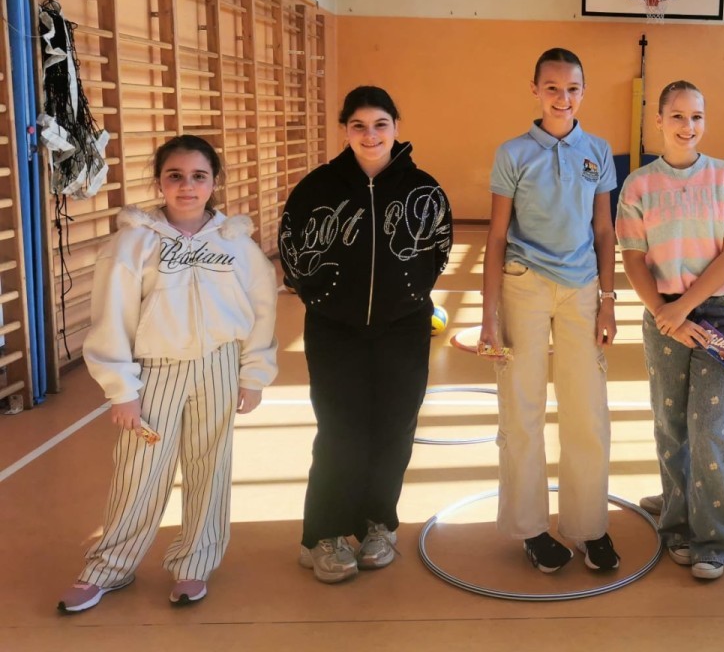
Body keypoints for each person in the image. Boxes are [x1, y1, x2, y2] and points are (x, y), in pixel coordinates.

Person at [58, 135, 278, 613]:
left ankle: (195, 562)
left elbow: (262, 309)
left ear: (214, 182)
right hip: (154, 370)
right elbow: (111, 316)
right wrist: (122, 389)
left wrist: (253, 374)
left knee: (209, 465)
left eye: (199, 176)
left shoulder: (235, 244)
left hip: (218, 365)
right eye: (174, 176)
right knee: (139, 470)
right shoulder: (133, 243)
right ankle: (109, 567)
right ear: (159, 182)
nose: (186, 186)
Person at [279, 86, 452, 584]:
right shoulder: (318, 188)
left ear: (396, 127)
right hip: (335, 330)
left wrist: (408, 296)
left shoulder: (423, 188)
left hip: (404, 327)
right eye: (359, 125)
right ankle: (323, 534)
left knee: (395, 427)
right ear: (345, 130)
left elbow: (440, 248)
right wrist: (326, 300)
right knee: (340, 430)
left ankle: (380, 522)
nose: (370, 135)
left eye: (380, 124)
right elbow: (292, 249)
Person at [479, 47, 620, 574]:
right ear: (535, 90)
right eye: (553, 88)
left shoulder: (598, 151)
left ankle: (588, 526)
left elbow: (604, 231)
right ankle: (531, 528)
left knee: (588, 411)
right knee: (523, 409)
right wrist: (490, 315)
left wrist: (608, 301)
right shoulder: (513, 153)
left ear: (584, 91)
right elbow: (497, 237)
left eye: (573, 88)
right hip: (525, 287)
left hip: (582, 289)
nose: (563, 98)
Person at [617, 80, 724, 581]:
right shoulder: (638, 186)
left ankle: (714, 539)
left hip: (720, 313)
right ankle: (676, 525)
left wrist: (684, 311)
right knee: (670, 423)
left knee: (708, 426)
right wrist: (663, 312)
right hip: (664, 316)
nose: (687, 126)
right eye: (677, 116)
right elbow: (633, 258)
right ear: (659, 120)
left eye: (696, 117)